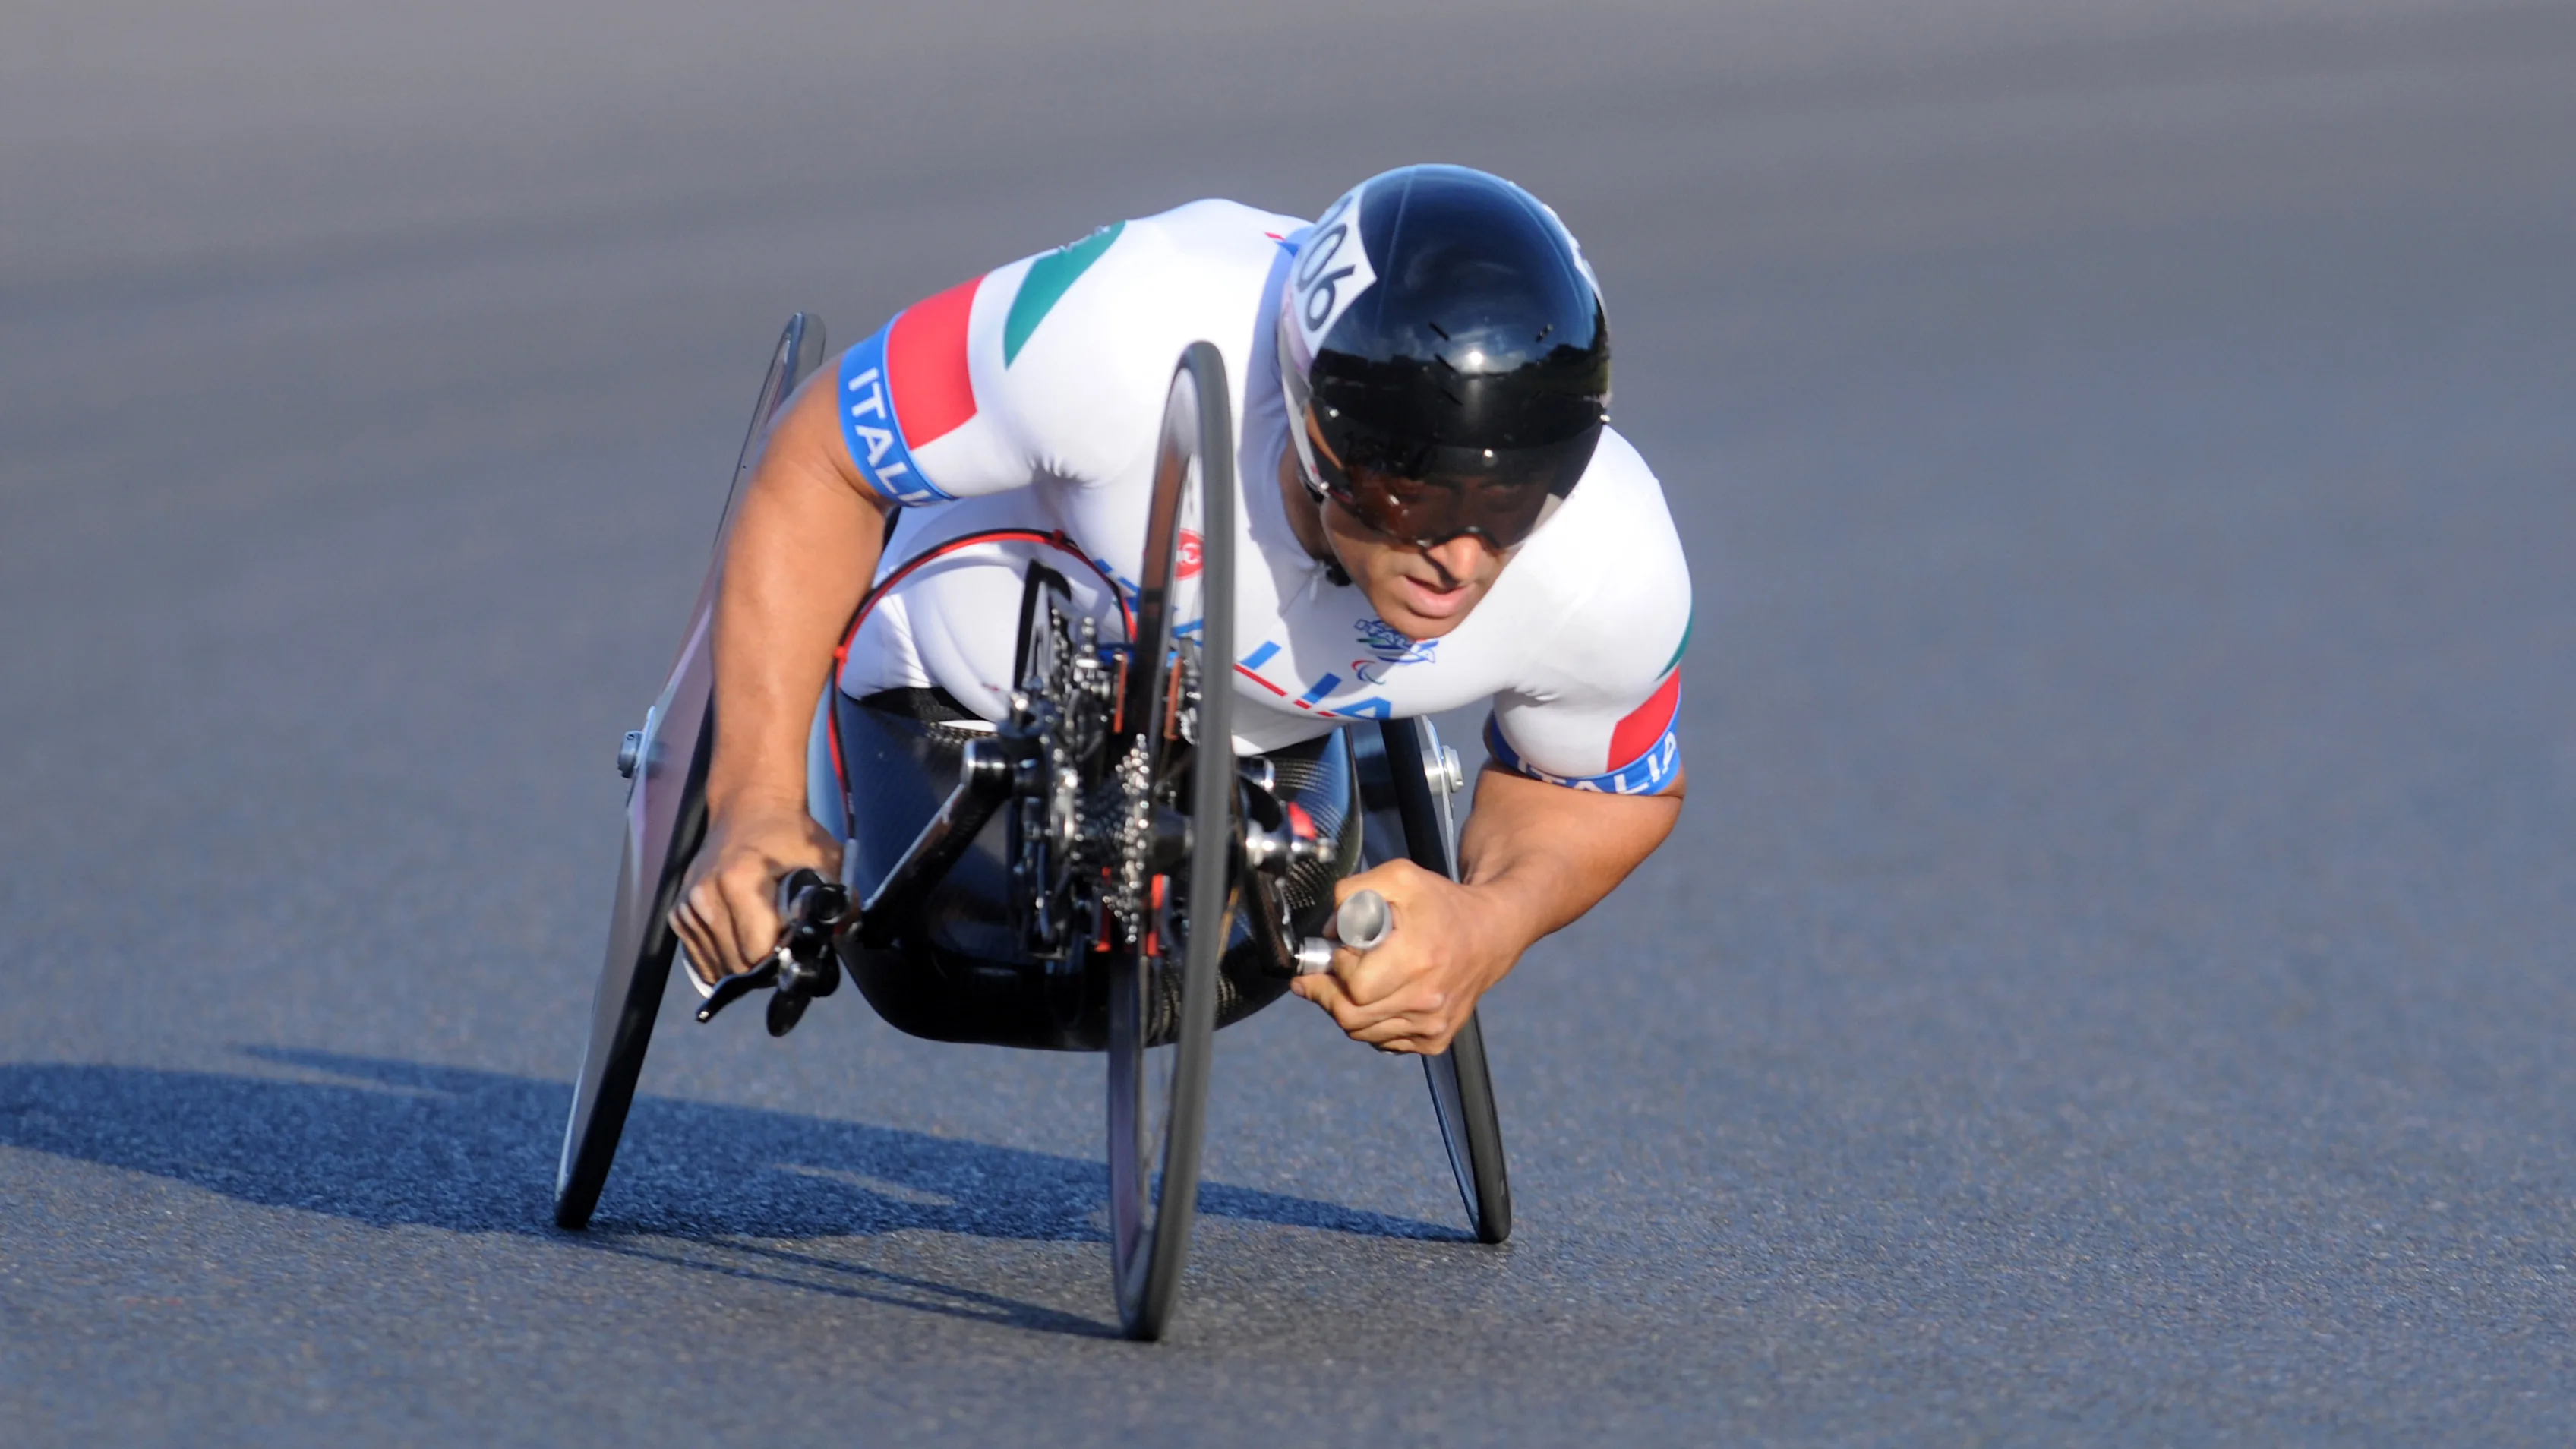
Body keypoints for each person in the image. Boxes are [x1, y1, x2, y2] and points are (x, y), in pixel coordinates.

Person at [669, 163, 1690, 1056]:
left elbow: (1608, 785)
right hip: (945, 689)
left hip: (1261, 758)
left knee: (1225, 962)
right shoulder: (1125, 325)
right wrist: (754, 800)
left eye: (1512, 504)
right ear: (1311, 424)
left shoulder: (1611, 560)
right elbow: (822, 456)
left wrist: (1488, 923)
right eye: (1408, 496)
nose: (1460, 558)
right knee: (939, 956)